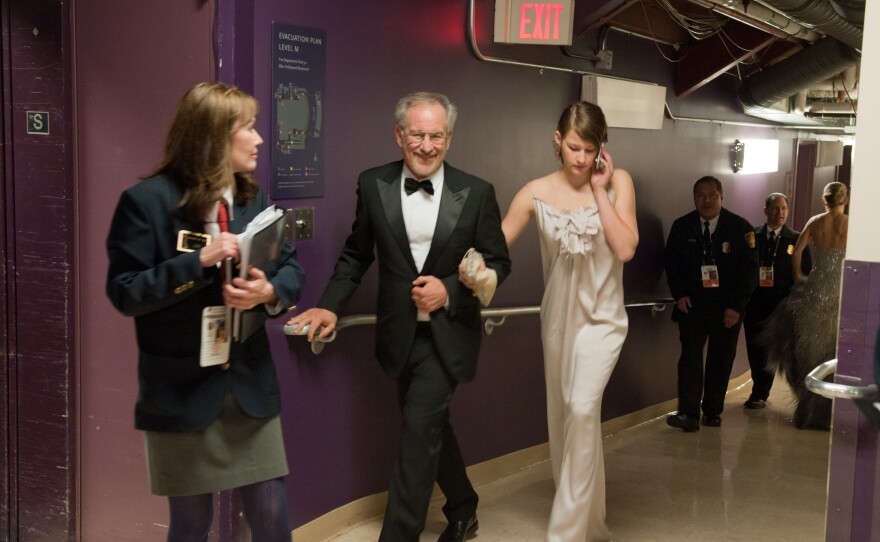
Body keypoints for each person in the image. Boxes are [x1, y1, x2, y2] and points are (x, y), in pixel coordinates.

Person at [286, 91, 511, 542]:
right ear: (398, 135)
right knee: (426, 427)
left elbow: (498, 264)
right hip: (399, 334)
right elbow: (355, 255)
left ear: (449, 137)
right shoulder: (373, 185)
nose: (426, 146)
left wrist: (448, 290)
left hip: (449, 333)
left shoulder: (478, 192)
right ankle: (464, 507)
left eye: (436, 136)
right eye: (416, 135)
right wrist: (329, 305)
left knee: (415, 439)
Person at [106, 82, 305, 542]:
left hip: (249, 385)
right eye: (249, 129)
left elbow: (290, 266)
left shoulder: (252, 196)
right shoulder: (146, 203)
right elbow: (125, 292)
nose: (259, 140)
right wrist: (197, 262)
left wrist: (268, 291)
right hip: (182, 390)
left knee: (273, 514)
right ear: (213, 136)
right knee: (193, 523)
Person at [496, 101, 637, 542]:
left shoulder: (619, 183)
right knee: (567, 419)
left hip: (603, 321)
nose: (581, 158)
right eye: (574, 147)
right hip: (557, 320)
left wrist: (599, 191)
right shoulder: (533, 192)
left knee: (581, 408)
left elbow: (625, 248)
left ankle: (566, 534)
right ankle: (589, 522)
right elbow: (495, 246)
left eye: (590, 149)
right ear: (558, 141)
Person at [664, 176, 758, 432]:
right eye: (700, 195)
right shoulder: (682, 227)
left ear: (721, 197)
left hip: (726, 308)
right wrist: (680, 294)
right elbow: (672, 264)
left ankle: (713, 411)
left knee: (721, 358)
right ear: (694, 198)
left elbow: (749, 272)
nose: (706, 200)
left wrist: (736, 307)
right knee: (690, 358)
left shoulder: (740, 228)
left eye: (712, 195)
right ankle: (689, 413)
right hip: (692, 307)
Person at [761, 181, 849, 430]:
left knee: (810, 352)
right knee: (835, 353)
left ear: (824, 200)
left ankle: (809, 412)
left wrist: (799, 276)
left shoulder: (816, 221)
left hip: (816, 289)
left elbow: (796, 251)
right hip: (840, 290)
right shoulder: (851, 224)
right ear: (845, 200)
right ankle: (832, 414)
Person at [742, 193, 809, 409]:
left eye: (783, 209)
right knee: (756, 349)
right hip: (755, 303)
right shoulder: (753, 235)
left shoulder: (796, 238)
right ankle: (759, 392)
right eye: (775, 208)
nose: (780, 213)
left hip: (782, 305)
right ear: (766, 211)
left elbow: (805, 271)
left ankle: (799, 395)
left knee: (783, 351)